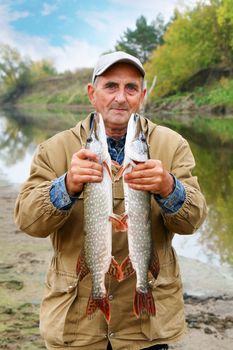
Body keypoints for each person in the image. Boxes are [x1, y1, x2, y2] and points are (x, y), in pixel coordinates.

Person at [14, 51, 207, 350]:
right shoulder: (55, 148)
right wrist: (66, 185)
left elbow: (193, 220)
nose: (121, 97)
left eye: (130, 88)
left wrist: (170, 187)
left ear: (142, 96)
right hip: (75, 326)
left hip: (148, 327)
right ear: (92, 93)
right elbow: (27, 220)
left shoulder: (172, 145)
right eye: (111, 86)